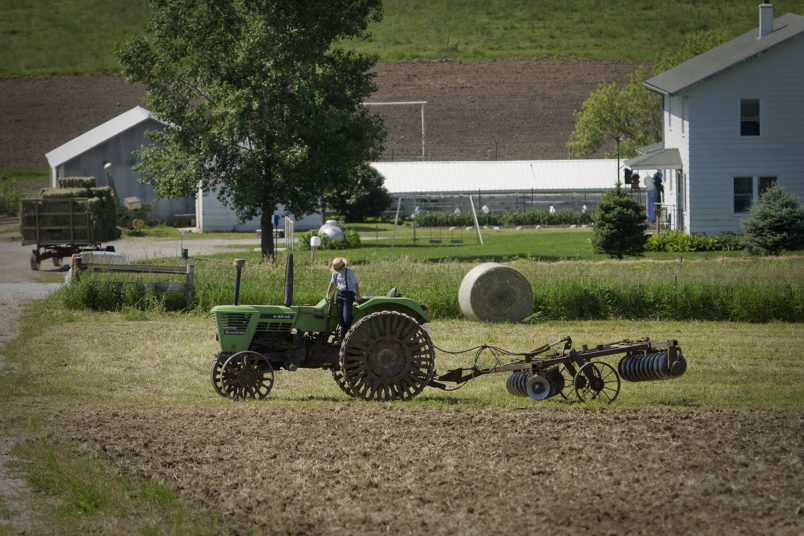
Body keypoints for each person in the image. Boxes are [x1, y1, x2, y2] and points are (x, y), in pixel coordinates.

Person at [325, 257, 361, 340]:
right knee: (340, 317)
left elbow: (355, 283)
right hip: (339, 294)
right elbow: (332, 283)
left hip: (348, 295)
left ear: (341, 266)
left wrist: (358, 295)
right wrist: (327, 294)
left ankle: (348, 331)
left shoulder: (349, 271)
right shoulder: (335, 273)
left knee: (346, 318)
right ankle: (342, 337)